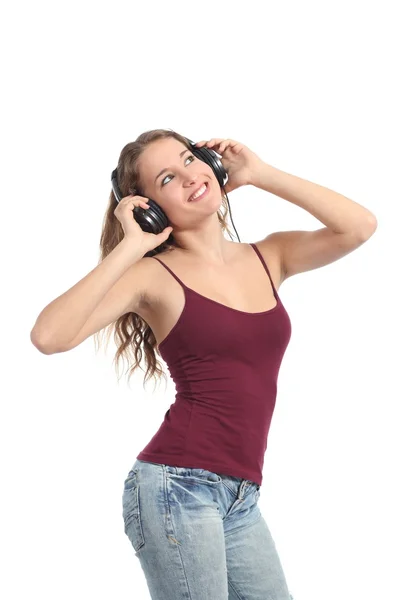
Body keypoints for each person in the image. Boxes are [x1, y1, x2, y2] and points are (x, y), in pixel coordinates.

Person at [30, 128, 377, 599]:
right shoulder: (152, 275)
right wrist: (133, 244)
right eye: (168, 177)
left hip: (240, 497)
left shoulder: (268, 257)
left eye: (190, 158)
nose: (191, 174)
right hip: (177, 488)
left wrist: (260, 173)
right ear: (148, 207)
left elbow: (358, 226)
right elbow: (50, 336)